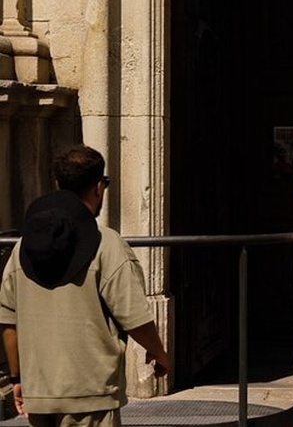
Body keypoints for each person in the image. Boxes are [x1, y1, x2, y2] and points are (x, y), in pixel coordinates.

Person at [0, 144, 170, 426]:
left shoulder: (22, 248)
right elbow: (133, 315)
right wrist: (159, 352)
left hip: (41, 391)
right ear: (98, 188)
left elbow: (7, 319)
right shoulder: (106, 244)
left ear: (57, 184)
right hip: (91, 391)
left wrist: (18, 377)